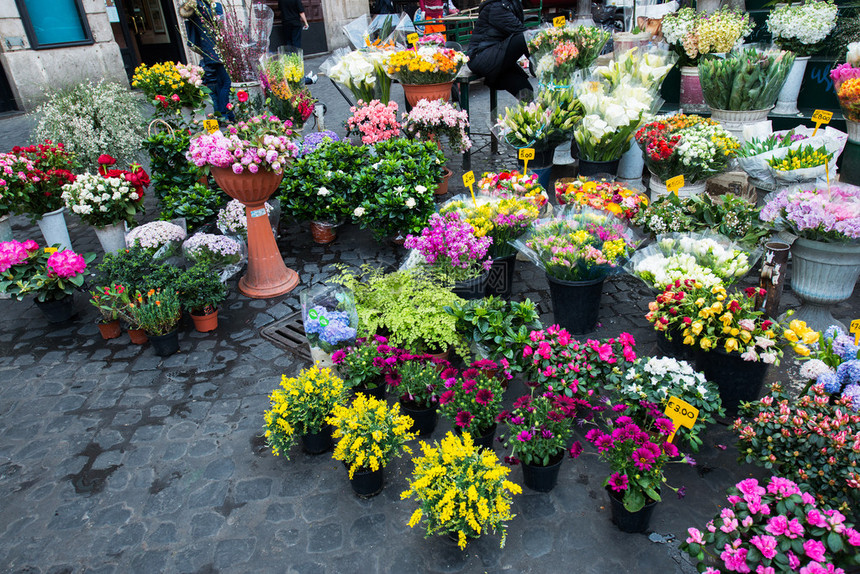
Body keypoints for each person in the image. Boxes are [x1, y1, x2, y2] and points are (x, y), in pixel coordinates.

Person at [466, 0, 532, 99]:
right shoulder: (496, 7)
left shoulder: (508, 4)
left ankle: (531, 112)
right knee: (524, 37)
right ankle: (539, 66)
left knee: (527, 91)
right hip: (480, 56)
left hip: (496, 54)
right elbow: (522, 33)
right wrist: (535, 61)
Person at [180, 0, 232, 117]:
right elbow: (218, 20)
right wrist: (215, 4)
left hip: (210, 50)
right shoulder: (201, 6)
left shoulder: (200, 5)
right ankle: (224, 114)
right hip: (213, 50)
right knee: (226, 82)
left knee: (216, 84)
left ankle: (223, 115)